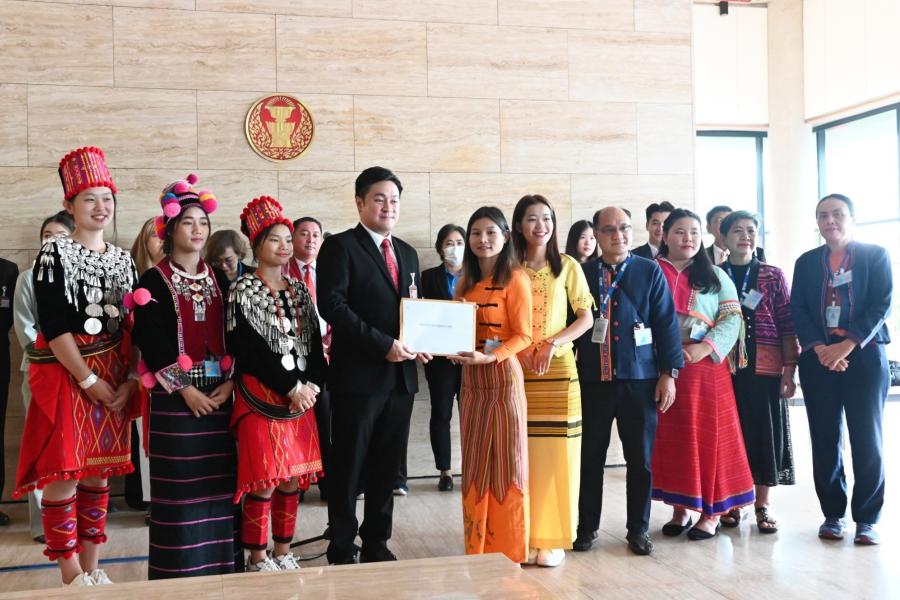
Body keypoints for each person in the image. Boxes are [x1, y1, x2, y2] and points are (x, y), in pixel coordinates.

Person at [13, 146, 139, 587]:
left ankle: (92, 565)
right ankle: (69, 572)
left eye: (107, 198)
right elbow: (54, 325)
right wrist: (87, 378)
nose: (100, 207)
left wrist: (129, 381)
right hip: (71, 374)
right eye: (89, 199)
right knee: (66, 474)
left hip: (114, 375)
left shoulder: (124, 259)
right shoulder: (54, 254)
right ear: (69, 206)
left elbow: (134, 327)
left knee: (99, 476)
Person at [132, 175, 242, 578]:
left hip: (220, 396)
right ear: (170, 229)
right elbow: (151, 341)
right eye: (188, 222)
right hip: (176, 401)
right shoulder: (152, 281)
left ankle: (221, 571)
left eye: (203, 223)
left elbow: (237, 333)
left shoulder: (221, 279)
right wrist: (186, 390)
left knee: (218, 490)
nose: (197, 230)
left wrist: (231, 382)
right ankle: (175, 578)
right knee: (180, 492)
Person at [317, 166, 426, 565]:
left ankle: (377, 542)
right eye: (379, 199)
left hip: (401, 380)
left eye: (394, 200)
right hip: (358, 379)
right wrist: (383, 346)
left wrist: (422, 343)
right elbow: (333, 306)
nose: (388, 207)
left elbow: (413, 310)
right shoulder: (340, 247)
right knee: (349, 467)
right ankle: (342, 544)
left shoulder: (408, 252)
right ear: (360, 202)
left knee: (386, 467)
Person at [573, 207, 682, 556]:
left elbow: (666, 324)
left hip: (640, 380)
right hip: (593, 381)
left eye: (623, 228)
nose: (618, 236)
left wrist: (669, 373)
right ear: (596, 234)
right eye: (608, 230)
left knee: (640, 461)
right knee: (590, 458)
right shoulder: (581, 273)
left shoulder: (649, 270)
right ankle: (586, 528)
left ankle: (638, 529)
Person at [228, 196, 326, 571]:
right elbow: (248, 350)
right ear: (256, 245)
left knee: (291, 481)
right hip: (262, 397)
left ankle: (283, 552)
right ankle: (257, 556)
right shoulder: (242, 289)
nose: (284, 246)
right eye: (275, 240)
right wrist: (291, 387)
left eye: (288, 239)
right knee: (264, 480)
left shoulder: (299, 290)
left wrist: (311, 385)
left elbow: (313, 344)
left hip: (300, 400)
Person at [791, 194, 892, 545]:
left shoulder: (875, 255)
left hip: (863, 355)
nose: (830, 220)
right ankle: (833, 514)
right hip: (818, 358)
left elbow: (882, 303)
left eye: (837, 214)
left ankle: (867, 518)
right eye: (823, 215)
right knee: (824, 437)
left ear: (852, 218)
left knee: (867, 439)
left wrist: (846, 345)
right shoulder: (807, 262)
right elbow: (798, 308)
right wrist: (821, 349)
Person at [651, 208, 754, 540]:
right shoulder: (650, 270)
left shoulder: (716, 275)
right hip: (662, 365)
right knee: (672, 439)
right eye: (680, 232)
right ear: (665, 235)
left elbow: (732, 318)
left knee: (710, 438)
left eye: (694, 232)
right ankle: (680, 508)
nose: (688, 238)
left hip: (706, 366)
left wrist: (704, 348)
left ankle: (711, 513)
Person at [510, 195, 592, 567]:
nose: (540, 225)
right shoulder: (509, 267)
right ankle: (524, 535)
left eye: (547, 218)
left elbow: (585, 318)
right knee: (522, 456)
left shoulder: (568, 265)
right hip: (518, 370)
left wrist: (552, 344)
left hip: (558, 372)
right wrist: (517, 351)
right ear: (519, 225)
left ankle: (553, 539)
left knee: (558, 457)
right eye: (532, 218)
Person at [448, 206, 532, 564]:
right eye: (476, 233)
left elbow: (524, 335)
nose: (483, 240)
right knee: (475, 461)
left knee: (507, 464)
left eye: (490, 233)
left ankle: (509, 552)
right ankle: (477, 549)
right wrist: (451, 350)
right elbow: (454, 328)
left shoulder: (516, 278)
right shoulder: (464, 281)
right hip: (471, 381)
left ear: (505, 237)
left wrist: (490, 357)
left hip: (503, 378)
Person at [719, 211, 798, 534]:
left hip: (765, 368)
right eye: (737, 231)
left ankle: (762, 504)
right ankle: (734, 502)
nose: (745, 236)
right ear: (723, 238)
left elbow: (787, 324)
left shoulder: (772, 275)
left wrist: (789, 369)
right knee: (731, 434)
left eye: (751, 230)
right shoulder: (713, 274)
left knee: (765, 433)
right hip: (724, 367)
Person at [12, 212, 74, 542]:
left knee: (73, 445)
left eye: (60, 235)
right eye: (47, 235)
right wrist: (58, 354)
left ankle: (74, 517)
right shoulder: (27, 278)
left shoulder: (82, 276)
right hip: (40, 369)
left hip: (79, 372)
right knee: (41, 442)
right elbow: (25, 327)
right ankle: (43, 526)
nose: (52, 241)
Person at [420, 224, 466, 492]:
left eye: (459, 242)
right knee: (441, 414)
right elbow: (422, 317)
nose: (454, 248)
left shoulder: (478, 276)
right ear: (440, 248)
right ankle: (445, 471)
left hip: (470, 359)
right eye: (449, 243)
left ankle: (471, 468)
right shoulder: (427, 278)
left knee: (471, 416)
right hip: (439, 361)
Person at [126, 217, 165, 515]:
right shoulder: (132, 277)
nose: (161, 240)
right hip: (139, 369)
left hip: (177, 371)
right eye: (155, 235)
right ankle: (153, 502)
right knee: (146, 436)